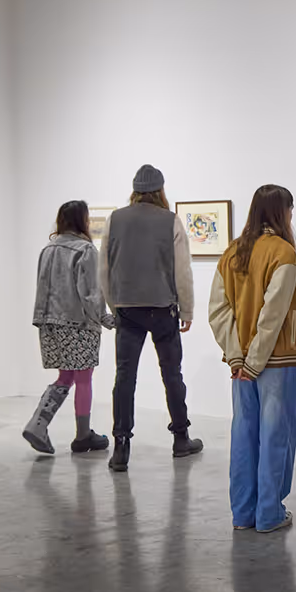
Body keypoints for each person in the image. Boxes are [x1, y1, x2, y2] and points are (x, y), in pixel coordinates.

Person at [210, 185, 296, 534]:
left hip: (241, 367)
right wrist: (254, 361)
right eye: (290, 210)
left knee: (243, 435)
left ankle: (242, 515)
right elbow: (274, 314)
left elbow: (218, 311)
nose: (292, 217)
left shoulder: (232, 252)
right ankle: (269, 514)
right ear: (282, 212)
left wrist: (238, 358)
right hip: (277, 362)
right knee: (276, 436)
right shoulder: (283, 252)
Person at [100, 164, 201, 471]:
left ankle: (121, 446)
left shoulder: (114, 220)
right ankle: (181, 438)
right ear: (160, 190)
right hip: (162, 308)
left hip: (128, 309)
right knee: (172, 374)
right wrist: (187, 309)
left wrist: (113, 305)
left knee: (124, 377)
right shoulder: (170, 221)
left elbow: (104, 268)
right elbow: (182, 271)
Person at [25, 200, 115, 454]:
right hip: (77, 323)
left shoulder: (49, 248)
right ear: (82, 220)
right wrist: (106, 319)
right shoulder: (84, 250)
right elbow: (90, 293)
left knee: (66, 376)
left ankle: (37, 424)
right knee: (84, 376)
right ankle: (83, 435)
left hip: (48, 322)